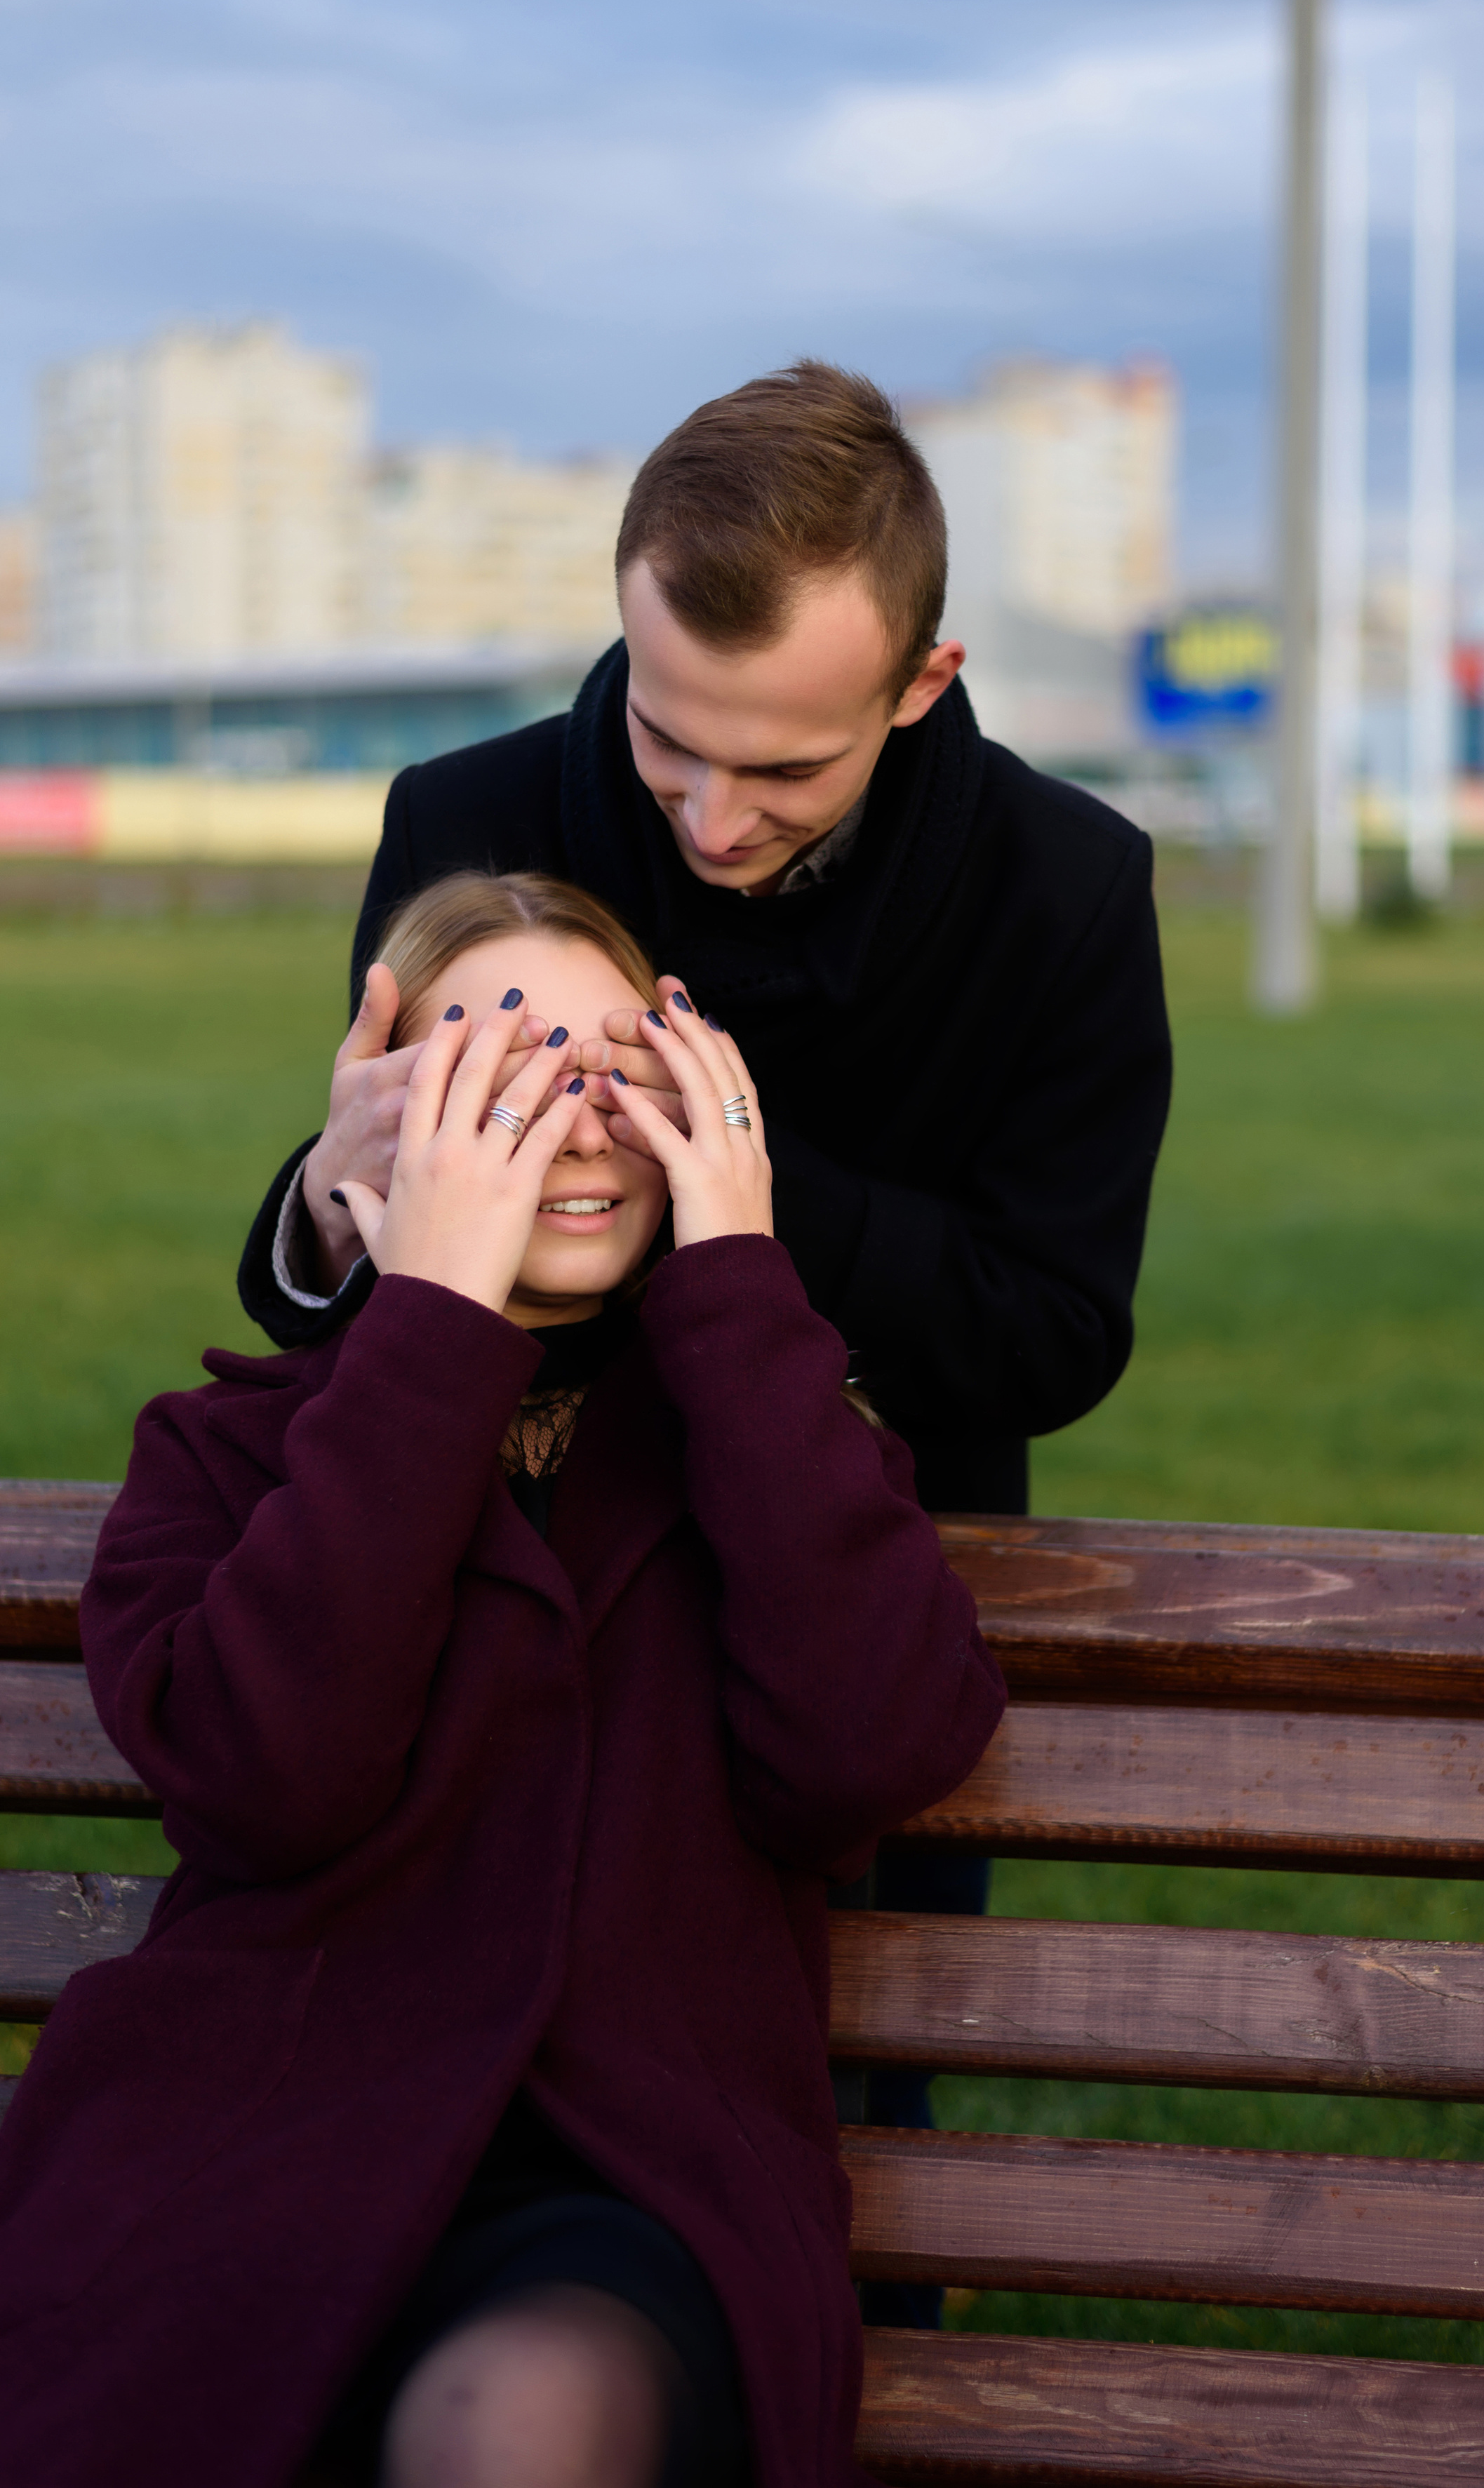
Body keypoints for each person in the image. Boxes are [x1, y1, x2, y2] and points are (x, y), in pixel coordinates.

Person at [235, 358, 1172, 2277]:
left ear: (923, 681)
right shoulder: (468, 812)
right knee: (415, 2172)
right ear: (626, 624)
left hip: (848, 1621)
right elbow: (380, 1307)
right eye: (670, 739)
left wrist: (733, 1180)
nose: (713, 812)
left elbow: (1055, 1334)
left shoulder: (1065, 887)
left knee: (836, 2197)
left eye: (789, 765)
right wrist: (333, 1203)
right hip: (495, 1619)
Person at [0, 872, 1005, 2488]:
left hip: (633, 2180)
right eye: (502, 1083)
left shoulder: (773, 1448)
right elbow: (277, 1781)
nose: (577, 1123)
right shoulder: (220, 1455)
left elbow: (867, 1755)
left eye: (619, 1068)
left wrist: (741, 1276)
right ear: (375, 1124)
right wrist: (432, 1324)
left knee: (517, 2427)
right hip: (248, 2135)